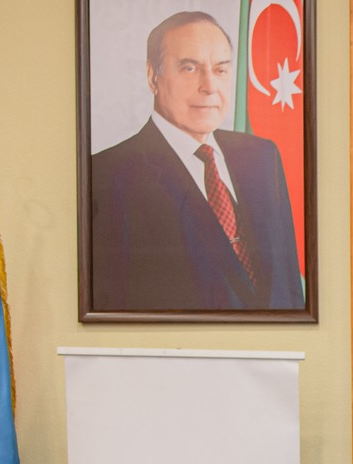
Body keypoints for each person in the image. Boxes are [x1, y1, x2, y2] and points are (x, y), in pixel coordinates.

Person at [89, 10, 305, 312]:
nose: (209, 86)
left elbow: (289, 288)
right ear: (152, 76)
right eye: (190, 68)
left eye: (220, 69)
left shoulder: (262, 157)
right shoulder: (107, 177)